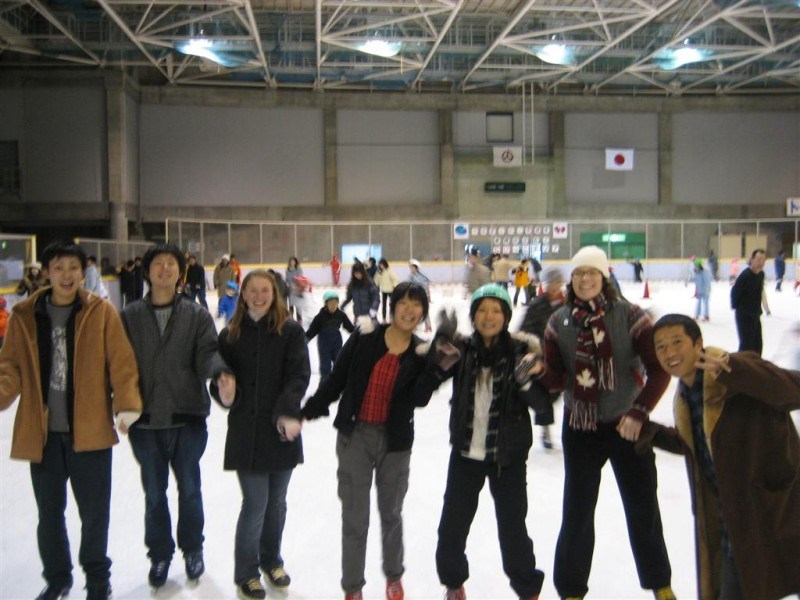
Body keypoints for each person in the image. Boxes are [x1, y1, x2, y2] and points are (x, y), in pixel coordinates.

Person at [0, 239, 142, 600]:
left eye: (73, 268)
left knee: (94, 514)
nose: (66, 275)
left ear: (83, 272)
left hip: (90, 432)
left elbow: (122, 364)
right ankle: (57, 578)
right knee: (49, 514)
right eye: (59, 268)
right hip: (43, 434)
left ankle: (97, 579)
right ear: (47, 272)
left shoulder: (101, 312)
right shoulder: (25, 315)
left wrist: (126, 404)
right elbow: (9, 367)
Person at [531, 245, 674, 600]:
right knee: (577, 514)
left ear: (604, 276)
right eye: (578, 273)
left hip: (627, 426)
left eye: (591, 272)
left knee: (643, 509)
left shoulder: (630, 315)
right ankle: (571, 590)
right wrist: (538, 370)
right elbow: (557, 380)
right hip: (581, 428)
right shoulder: (558, 322)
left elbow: (658, 370)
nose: (585, 279)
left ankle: (660, 583)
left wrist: (638, 412)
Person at [301, 282, 446, 600]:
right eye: (403, 302)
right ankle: (353, 586)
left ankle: (394, 575)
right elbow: (337, 379)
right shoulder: (365, 337)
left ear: (423, 312)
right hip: (356, 437)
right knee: (355, 516)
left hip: (395, 443)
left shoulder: (421, 353)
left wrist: (438, 369)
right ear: (393, 306)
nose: (409, 310)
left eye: (417, 305)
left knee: (391, 513)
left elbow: (419, 399)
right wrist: (309, 409)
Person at [640, 314, 800, 600]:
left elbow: (793, 390)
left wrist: (736, 371)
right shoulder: (686, 394)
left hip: (775, 511)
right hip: (733, 522)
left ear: (698, 344)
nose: (669, 353)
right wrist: (650, 433)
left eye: (677, 342)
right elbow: (700, 443)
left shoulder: (736, 368)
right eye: (661, 347)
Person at [121, 244, 234, 589]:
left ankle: (193, 549)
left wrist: (219, 373)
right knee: (154, 493)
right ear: (148, 271)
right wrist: (120, 404)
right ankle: (159, 554)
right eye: (159, 264)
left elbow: (208, 353)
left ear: (180, 272)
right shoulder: (130, 316)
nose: (165, 269)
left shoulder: (196, 315)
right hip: (146, 421)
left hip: (187, 418)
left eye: (172, 264)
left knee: (190, 489)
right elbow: (119, 365)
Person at [434, 284, 547, 600]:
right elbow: (429, 380)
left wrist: (525, 381)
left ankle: (527, 589)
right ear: (473, 316)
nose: (488, 316)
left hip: (507, 457)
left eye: (496, 310)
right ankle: (454, 584)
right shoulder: (461, 350)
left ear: (506, 316)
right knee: (452, 527)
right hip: (466, 454)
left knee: (513, 530)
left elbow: (543, 406)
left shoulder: (521, 352)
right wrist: (440, 344)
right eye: (482, 310)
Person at [212, 269, 310, 600]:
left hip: (281, 430)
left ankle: (272, 561)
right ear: (242, 294)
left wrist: (287, 411)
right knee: (255, 503)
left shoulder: (290, 331)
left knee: (277, 502)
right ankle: (246, 573)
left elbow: (299, 375)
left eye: (264, 290)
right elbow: (220, 380)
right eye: (251, 290)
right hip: (247, 433)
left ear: (274, 293)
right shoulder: (230, 335)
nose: (258, 296)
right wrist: (225, 391)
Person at [518, 267, 565, 449]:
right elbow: (525, 330)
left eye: (557, 282)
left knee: (560, 393)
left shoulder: (567, 305)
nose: (554, 286)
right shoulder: (537, 305)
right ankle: (545, 428)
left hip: (563, 358)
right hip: (542, 358)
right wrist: (531, 348)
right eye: (551, 283)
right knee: (545, 395)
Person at [306, 291, 355, 381]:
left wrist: (359, 333)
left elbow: (350, 328)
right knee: (325, 367)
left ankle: (338, 384)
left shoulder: (341, 315)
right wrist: (304, 340)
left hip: (336, 343)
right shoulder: (320, 317)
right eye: (330, 303)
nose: (333, 305)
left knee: (338, 364)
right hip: (324, 344)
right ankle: (324, 384)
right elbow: (312, 331)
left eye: (335, 303)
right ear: (326, 304)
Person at [730, 248, 770, 355]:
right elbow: (735, 292)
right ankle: (742, 364)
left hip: (755, 314)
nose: (761, 263)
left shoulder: (761, 275)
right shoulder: (745, 275)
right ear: (751, 259)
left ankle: (756, 364)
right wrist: (738, 307)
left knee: (757, 344)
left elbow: (758, 294)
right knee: (746, 345)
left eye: (763, 260)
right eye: (758, 259)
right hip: (744, 315)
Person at [408, 259, 433, 332]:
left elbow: (427, 283)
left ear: (416, 268)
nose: (411, 269)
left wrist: (428, 296)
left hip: (423, 296)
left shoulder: (422, 276)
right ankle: (414, 326)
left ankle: (428, 326)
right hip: (415, 297)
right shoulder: (411, 277)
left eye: (413, 268)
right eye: (411, 268)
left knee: (425, 311)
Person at [375, 258, 400, 323]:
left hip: (391, 291)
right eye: (380, 265)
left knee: (391, 304)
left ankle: (392, 318)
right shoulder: (379, 272)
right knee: (384, 305)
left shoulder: (389, 271)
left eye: (382, 265)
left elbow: (395, 279)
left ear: (385, 264)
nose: (381, 266)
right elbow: (376, 281)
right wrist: (375, 285)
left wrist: (394, 286)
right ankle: (384, 319)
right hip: (384, 291)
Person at [285, 257, 304, 322]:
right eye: (291, 261)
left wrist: (296, 285)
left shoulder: (299, 269)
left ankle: (299, 319)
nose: (292, 263)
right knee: (291, 305)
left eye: (293, 261)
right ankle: (291, 320)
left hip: (298, 289)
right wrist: (290, 285)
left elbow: (300, 278)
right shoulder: (287, 270)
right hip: (291, 290)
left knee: (298, 306)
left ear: (295, 262)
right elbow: (287, 279)